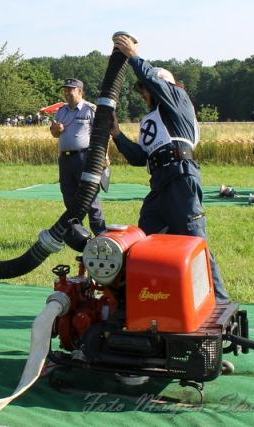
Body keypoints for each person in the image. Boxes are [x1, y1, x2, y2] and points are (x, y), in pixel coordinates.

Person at [110, 33, 230, 303]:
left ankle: (219, 303)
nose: (143, 93)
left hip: (180, 177)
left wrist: (133, 56)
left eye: (144, 87)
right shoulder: (150, 120)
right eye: (140, 89)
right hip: (160, 183)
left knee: (195, 240)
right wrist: (117, 135)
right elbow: (141, 157)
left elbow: (156, 82)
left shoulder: (178, 98)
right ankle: (149, 297)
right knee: (143, 241)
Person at [50, 78, 107, 235]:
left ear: (80, 91)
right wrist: (56, 130)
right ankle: (78, 235)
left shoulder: (90, 109)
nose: (67, 93)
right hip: (65, 160)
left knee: (90, 197)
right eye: (66, 90)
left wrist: (104, 156)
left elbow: (102, 134)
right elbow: (54, 134)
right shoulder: (61, 111)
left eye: (70, 90)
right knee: (69, 197)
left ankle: (101, 234)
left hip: (84, 159)